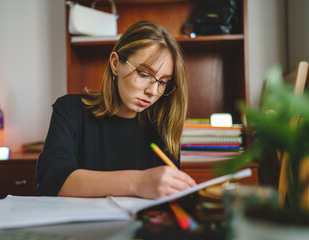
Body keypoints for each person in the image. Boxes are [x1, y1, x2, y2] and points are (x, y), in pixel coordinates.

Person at [36, 20, 196, 199]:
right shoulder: (70, 111)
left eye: (163, 82)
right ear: (115, 63)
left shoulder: (162, 126)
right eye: (144, 74)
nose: (153, 91)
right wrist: (138, 182)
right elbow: (51, 182)